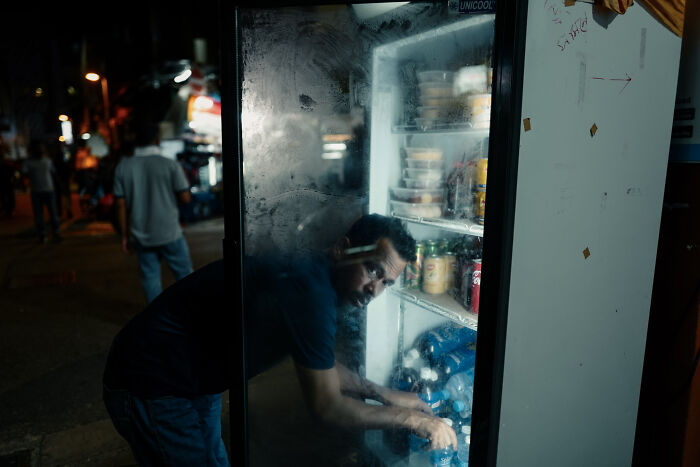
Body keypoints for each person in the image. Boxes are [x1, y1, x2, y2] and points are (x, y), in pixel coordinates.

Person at [102, 214, 458, 466]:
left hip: (193, 378)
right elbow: (327, 408)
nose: (373, 290)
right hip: (151, 381)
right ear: (343, 249)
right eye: (373, 270)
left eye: (386, 283)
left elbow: (319, 363)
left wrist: (379, 392)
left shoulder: (320, 280)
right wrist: (415, 421)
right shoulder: (311, 293)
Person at [113, 103, 193, 303]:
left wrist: (125, 235)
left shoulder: (123, 167)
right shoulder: (170, 164)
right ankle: (191, 318)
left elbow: (120, 205)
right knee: (186, 278)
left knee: (150, 281)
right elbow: (185, 198)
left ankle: (157, 322)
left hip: (142, 236)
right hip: (170, 233)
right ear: (157, 139)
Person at [22, 140, 61, 243]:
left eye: (41, 149)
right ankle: (42, 234)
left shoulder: (47, 161)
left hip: (49, 190)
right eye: (38, 149)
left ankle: (56, 232)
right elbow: (24, 175)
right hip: (37, 191)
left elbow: (54, 174)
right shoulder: (29, 162)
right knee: (39, 215)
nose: (40, 151)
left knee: (53, 213)